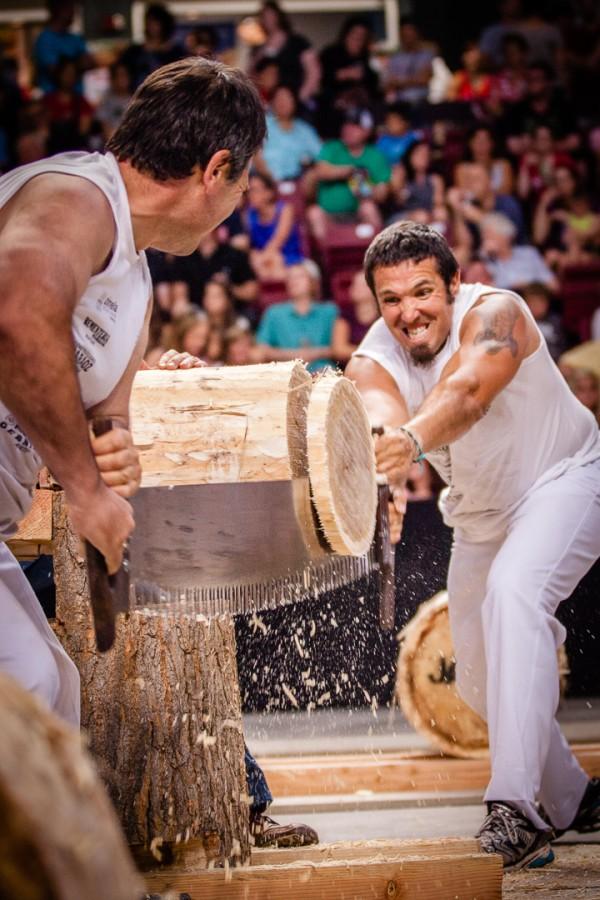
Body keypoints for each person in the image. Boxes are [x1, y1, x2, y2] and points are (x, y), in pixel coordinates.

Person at [0, 55, 266, 730]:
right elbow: (19, 312)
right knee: (29, 689)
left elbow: (106, 421)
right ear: (216, 169)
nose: (240, 202)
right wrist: (87, 491)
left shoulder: (137, 281)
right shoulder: (77, 197)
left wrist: (114, 457)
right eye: (244, 181)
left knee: (53, 693)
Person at [346, 221, 600, 869]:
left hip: (564, 481)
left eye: (423, 291)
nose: (408, 312)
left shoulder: (498, 313)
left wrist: (410, 445)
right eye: (392, 299)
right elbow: (376, 410)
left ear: (455, 285)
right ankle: (573, 800)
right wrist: (384, 470)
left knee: (515, 597)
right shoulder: (375, 352)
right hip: (480, 517)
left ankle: (515, 806)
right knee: (482, 685)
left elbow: (466, 393)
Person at [307, 108, 390, 241]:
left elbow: (382, 192)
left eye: (355, 126)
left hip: (357, 214)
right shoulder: (332, 147)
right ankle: (325, 259)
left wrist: (365, 187)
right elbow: (321, 170)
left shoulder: (375, 155)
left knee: (369, 208)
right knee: (314, 213)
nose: (348, 129)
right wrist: (350, 171)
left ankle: (379, 255)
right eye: (346, 125)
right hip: (329, 214)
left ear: (366, 131)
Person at [256, 260, 342, 372]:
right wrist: (295, 355)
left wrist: (313, 354)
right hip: (285, 372)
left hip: (324, 372)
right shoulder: (274, 313)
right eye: (290, 278)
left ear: (313, 282)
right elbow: (261, 349)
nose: (293, 281)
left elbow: (340, 347)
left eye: (300, 276)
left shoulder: (330, 311)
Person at [248, 1, 321, 109]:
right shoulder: (258, 48)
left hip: (295, 103)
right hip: (267, 105)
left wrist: (300, 98)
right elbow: (250, 74)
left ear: (279, 17)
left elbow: (314, 72)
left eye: (271, 15)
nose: (268, 20)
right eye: (264, 16)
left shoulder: (298, 42)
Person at [479, 212, 558, 293]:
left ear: (506, 237)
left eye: (489, 236)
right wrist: (484, 256)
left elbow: (553, 285)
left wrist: (527, 286)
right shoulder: (486, 261)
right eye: (484, 237)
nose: (485, 241)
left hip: (532, 299)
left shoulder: (529, 254)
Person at [245, 172, 304, 279]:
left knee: (275, 260)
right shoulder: (248, 216)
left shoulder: (285, 210)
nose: (251, 195)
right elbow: (249, 245)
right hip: (265, 262)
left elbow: (278, 240)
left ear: (269, 192)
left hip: (291, 259)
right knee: (255, 258)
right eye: (249, 191)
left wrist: (263, 258)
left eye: (255, 190)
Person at [260, 85, 322, 182]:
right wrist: (271, 181)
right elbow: (254, 156)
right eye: (279, 98)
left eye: (287, 98)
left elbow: (321, 156)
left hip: (297, 185)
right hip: (264, 184)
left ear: (294, 102)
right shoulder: (262, 125)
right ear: (272, 102)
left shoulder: (305, 130)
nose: (282, 103)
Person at [33, 0, 95, 94]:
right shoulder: (45, 39)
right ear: (58, 10)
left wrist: (66, 64)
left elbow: (90, 62)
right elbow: (56, 71)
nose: (73, 13)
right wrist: (77, 62)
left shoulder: (75, 38)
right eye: (70, 8)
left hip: (77, 99)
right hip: (53, 101)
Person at [382, 18, 434, 108]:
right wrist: (414, 80)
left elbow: (424, 79)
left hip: (422, 102)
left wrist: (399, 82)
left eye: (410, 33)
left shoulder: (427, 55)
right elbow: (388, 83)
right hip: (400, 105)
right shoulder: (395, 58)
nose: (407, 37)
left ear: (417, 34)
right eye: (404, 34)